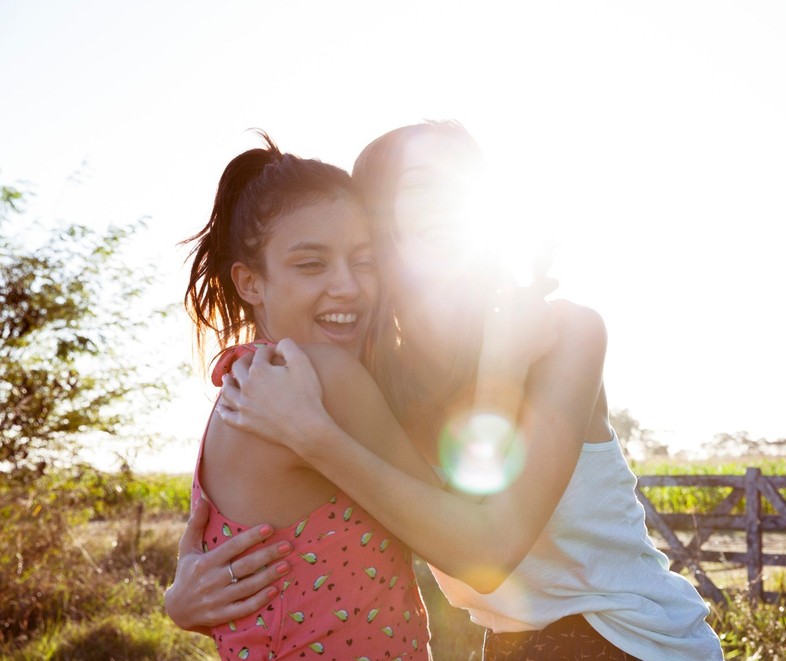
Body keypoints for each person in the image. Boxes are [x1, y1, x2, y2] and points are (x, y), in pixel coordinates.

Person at [168, 122, 723, 660]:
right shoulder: (377, 380)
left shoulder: (564, 334)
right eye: (421, 187)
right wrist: (184, 597)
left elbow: (486, 551)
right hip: (510, 644)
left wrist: (317, 438)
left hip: (628, 637)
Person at [171, 132, 432, 660]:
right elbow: (457, 523)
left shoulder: (245, 381)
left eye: (364, 261)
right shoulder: (324, 375)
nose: (348, 287)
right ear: (250, 282)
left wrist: (178, 602)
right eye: (312, 264)